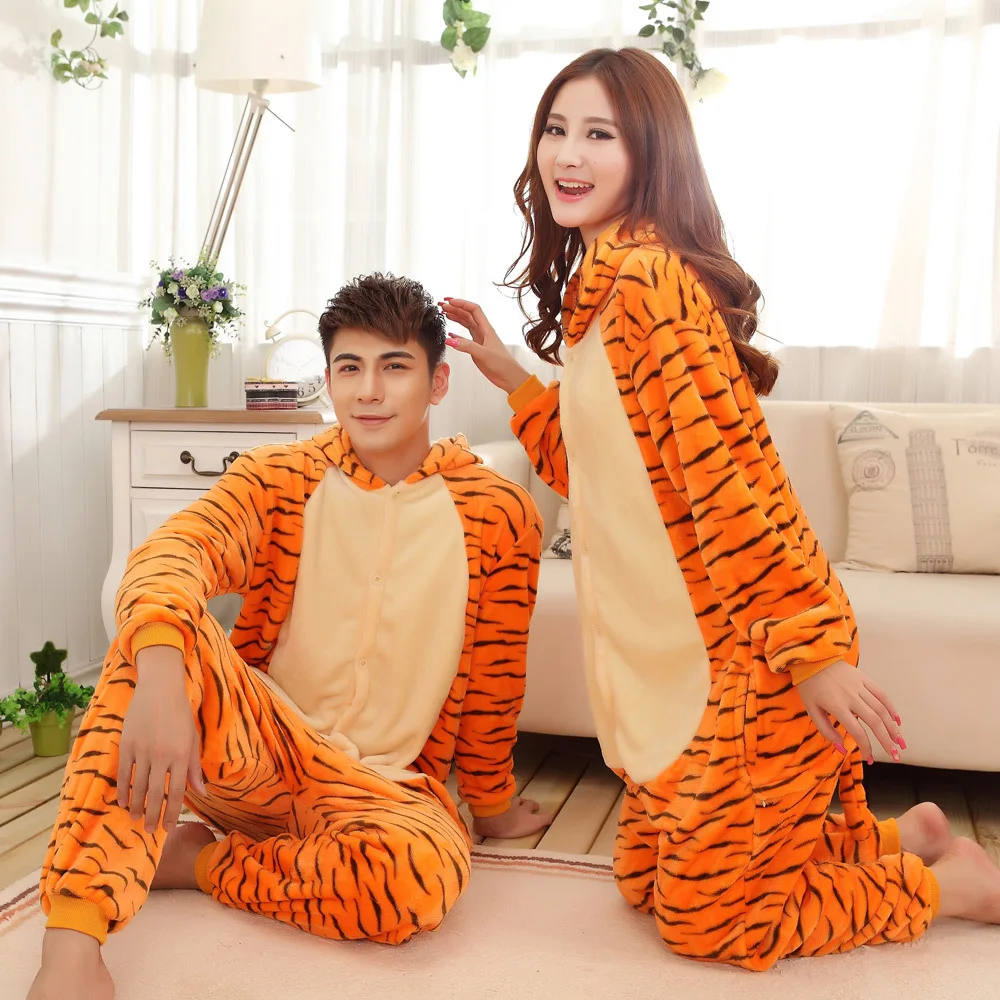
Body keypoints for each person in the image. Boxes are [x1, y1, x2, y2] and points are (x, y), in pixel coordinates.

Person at [440, 47, 1000, 971]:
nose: (567, 154)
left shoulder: (648, 286)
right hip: (672, 660)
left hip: (748, 653)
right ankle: (888, 841)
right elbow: (607, 478)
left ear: (650, 150)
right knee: (643, 883)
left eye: (599, 134)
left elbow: (733, 484)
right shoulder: (599, 291)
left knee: (712, 924)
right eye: (555, 129)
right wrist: (515, 378)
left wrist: (808, 650)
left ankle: (952, 887)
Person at [27, 273, 550, 1000]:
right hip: (255, 753)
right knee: (157, 636)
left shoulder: (499, 513)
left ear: (438, 383)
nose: (369, 391)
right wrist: (161, 678)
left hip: (381, 790)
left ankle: (197, 865)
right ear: (330, 381)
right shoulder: (278, 478)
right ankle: (72, 943)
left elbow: (495, 677)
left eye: (395, 367)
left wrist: (490, 807)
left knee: (421, 877)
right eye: (349, 368)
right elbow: (175, 550)